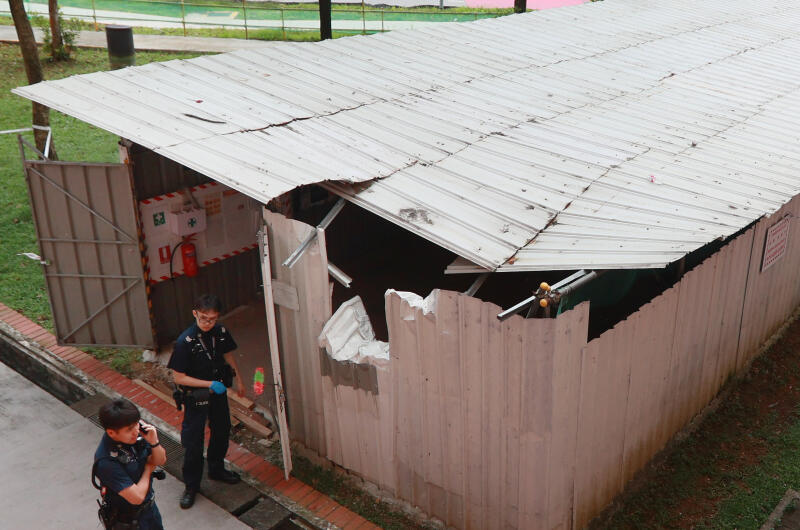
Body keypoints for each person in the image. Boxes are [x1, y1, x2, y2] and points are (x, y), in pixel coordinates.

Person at [168, 293, 245, 509]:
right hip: (197, 395)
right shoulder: (186, 342)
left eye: (212, 319)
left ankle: (216, 468)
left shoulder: (219, 332)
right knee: (193, 441)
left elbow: (228, 354)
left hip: (218, 391)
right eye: (203, 318)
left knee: (222, 429)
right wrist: (209, 384)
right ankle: (191, 485)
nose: (207, 323)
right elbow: (178, 377)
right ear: (195, 314)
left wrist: (239, 379)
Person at [93, 399, 167, 529]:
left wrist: (154, 442)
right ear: (111, 432)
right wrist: (148, 469)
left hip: (150, 510)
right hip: (129, 522)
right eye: (129, 429)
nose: (136, 431)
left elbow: (161, 461)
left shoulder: (137, 436)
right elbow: (136, 497)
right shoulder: (106, 461)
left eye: (136, 424)